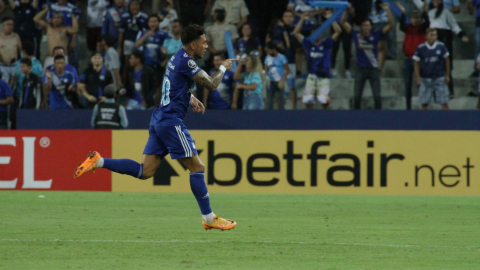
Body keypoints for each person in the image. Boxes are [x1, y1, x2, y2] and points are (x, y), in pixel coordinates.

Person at [74, 24, 238, 231]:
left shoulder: (176, 57)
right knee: (197, 168)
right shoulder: (187, 61)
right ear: (193, 44)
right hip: (170, 122)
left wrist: (191, 97)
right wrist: (223, 67)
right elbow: (213, 84)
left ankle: (99, 161)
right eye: (204, 42)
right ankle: (208, 218)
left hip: (159, 118)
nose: (207, 46)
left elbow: (172, 84)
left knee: (146, 171)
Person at [341, 4, 393, 110]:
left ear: (371, 26)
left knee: (377, 97)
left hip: (374, 69)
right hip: (360, 69)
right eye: (363, 25)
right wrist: (346, 11)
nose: (365, 27)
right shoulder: (356, 35)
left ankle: (379, 119)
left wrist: (388, 11)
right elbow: (343, 22)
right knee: (356, 97)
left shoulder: (376, 34)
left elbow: (391, 24)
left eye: (367, 25)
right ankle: (356, 119)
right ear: (361, 26)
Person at [293, 12, 341, 110]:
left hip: (323, 76)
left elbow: (338, 31)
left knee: (324, 102)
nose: (316, 35)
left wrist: (331, 19)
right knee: (308, 102)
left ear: (321, 34)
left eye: (318, 33)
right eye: (314, 33)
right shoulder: (308, 44)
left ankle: (325, 123)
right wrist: (302, 19)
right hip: (311, 76)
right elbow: (295, 33)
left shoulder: (326, 43)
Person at [398, 2, 429, 110]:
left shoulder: (422, 29)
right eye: (413, 18)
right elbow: (401, 26)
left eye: (417, 18)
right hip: (408, 59)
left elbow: (427, 24)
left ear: (420, 19)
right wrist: (402, 13)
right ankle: (408, 108)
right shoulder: (408, 28)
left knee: (420, 85)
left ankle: (423, 107)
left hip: (419, 60)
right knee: (407, 86)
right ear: (410, 19)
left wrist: (424, 11)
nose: (415, 20)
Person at [414, 28, 450, 110]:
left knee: (444, 102)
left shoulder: (441, 46)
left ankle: (449, 120)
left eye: (435, 35)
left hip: (439, 77)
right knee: (424, 103)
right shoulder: (421, 48)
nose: (434, 37)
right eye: (432, 35)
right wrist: (418, 77)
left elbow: (447, 60)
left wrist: (447, 75)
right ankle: (423, 121)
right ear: (426, 36)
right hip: (425, 78)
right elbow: (416, 63)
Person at [118, 0, 148, 86]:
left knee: (139, 65)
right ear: (129, 6)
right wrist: (119, 47)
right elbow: (121, 33)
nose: (135, 7)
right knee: (127, 65)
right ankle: (124, 86)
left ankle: (139, 84)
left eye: (136, 5)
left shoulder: (144, 17)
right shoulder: (124, 16)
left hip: (140, 44)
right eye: (132, 5)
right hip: (128, 43)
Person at [12, 41, 42, 107]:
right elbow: (14, 77)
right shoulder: (20, 62)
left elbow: (39, 84)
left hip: (32, 98)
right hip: (18, 96)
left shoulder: (37, 64)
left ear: (24, 52)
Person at [369, 0, 396, 70]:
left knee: (381, 47)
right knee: (371, 46)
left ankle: (379, 69)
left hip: (382, 21)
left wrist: (387, 10)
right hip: (369, 22)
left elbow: (391, 23)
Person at [264, 41, 290, 110]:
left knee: (280, 102)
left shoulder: (282, 57)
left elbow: (287, 70)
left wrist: (282, 80)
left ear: (273, 49)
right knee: (269, 103)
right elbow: (265, 70)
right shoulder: (267, 57)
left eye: (268, 51)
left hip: (279, 81)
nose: (267, 53)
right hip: (270, 82)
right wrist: (267, 79)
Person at [331, 3, 354, 78]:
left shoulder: (350, 1)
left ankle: (347, 69)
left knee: (347, 47)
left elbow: (353, 14)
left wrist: (349, 8)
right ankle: (332, 68)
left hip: (346, 23)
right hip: (335, 23)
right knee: (334, 46)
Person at [0, 17, 21, 86]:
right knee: (3, 86)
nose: (10, 27)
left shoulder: (16, 36)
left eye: (12, 25)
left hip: (14, 65)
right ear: (3, 26)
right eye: (8, 24)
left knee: (14, 86)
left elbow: (20, 50)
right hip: (2, 66)